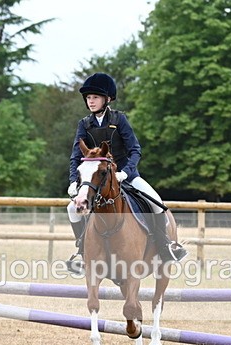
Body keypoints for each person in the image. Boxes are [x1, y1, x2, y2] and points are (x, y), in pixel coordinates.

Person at [66, 72, 187, 271]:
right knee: (72, 208)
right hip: (97, 181)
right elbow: (75, 156)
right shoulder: (84, 124)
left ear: (107, 99)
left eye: (95, 97)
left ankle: (165, 247)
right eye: (88, 98)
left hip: (126, 176)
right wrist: (73, 181)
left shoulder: (119, 119)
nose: (91, 101)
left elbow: (135, 150)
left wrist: (125, 172)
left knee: (156, 203)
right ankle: (82, 250)